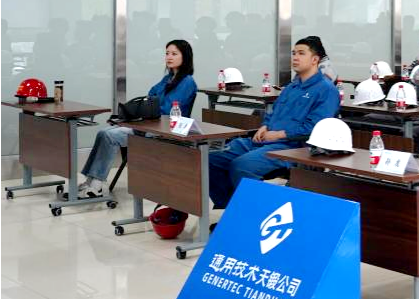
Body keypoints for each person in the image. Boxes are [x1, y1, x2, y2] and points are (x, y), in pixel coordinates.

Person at [208, 36, 341, 208]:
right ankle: (233, 208)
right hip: (265, 140)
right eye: (293, 53)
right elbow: (273, 112)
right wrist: (264, 126)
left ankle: (260, 213)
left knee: (242, 166)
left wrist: (278, 135)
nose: (295, 57)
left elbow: (315, 128)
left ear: (315, 59)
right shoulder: (292, 87)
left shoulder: (326, 90)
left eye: (301, 53)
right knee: (211, 158)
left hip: (293, 147)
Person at [79, 39, 197, 198]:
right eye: (167, 53)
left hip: (165, 131)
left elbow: (167, 110)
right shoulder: (167, 78)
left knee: (109, 135)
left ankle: (97, 184)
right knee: (103, 132)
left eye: (174, 54)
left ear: (185, 57)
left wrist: (146, 112)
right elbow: (150, 97)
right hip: (151, 125)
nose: (169, 57)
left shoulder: (187, 82)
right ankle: (90, 180)